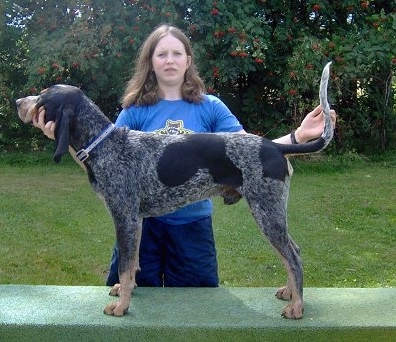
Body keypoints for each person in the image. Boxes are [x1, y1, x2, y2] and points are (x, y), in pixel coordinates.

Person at [33, 24, 336, 288]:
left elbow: (248, 151)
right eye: (161, 54)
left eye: (176, 53)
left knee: (197, 313)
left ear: (188, 60)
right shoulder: (133, 110)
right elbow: (103, 165)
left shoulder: (211, 106)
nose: (169, 60)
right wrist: (63, 140)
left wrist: (299, 136)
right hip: (142, 232)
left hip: (193, 231)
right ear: (150, 62)